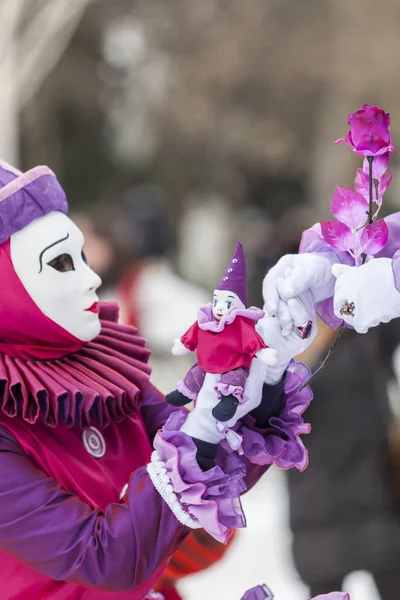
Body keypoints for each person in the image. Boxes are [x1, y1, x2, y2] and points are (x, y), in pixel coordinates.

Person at [0, 159, 313, 600]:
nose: (91, 278)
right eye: (62, 262)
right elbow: (102, 558)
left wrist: (264, 372)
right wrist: (201, 430)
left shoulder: (99, 368)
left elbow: (217, 464)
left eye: (83, 256)